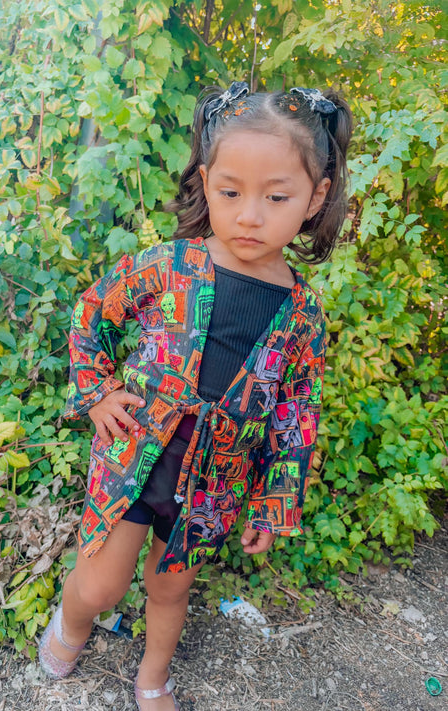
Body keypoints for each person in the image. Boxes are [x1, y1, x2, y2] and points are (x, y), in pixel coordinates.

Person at [38, 81, 353, 710]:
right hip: (134, 451)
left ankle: (153, 676)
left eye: (276, 197)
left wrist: (274, 500)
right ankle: (71, 625)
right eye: (230, 192)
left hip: (216, 480)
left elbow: (295, 414)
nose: (250, 215)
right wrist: (98, 392)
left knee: (170, 588)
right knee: (100, 585)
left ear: (315, 198)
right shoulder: (170, 265)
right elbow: (93, 312)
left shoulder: (303, 315)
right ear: (206, 183)